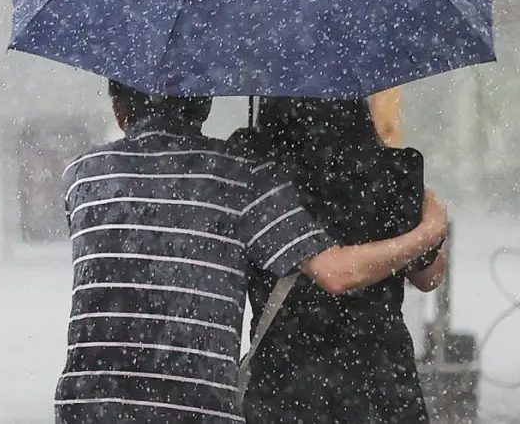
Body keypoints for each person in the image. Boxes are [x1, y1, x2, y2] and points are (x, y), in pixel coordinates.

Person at [53, 81, 448, 424]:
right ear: (204, 106)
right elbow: (348, 273)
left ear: (119, 110)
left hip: (97, 402)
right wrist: (429, 231)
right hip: (214, 404)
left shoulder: (83, 177)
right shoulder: (242, 176)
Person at [232, 98, 447, 423]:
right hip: (383, 385)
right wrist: (428, 231)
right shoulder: (393, 173)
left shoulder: (260, 175)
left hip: (286, 385)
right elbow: (428, 277)